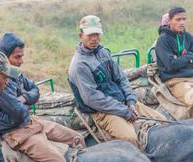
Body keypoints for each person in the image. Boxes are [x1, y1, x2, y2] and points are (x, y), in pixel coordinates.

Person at [0, 33, 85, 162]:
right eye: (17, 57)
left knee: (77, 138)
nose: (21, 61)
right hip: (16, 131)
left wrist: (23, 98)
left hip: (30, 122)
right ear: (3, 57)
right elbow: (19, 112)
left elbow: (35, 90)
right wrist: (25, 100)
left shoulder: (15, 73)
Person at [68, 15, 165, 147]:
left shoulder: (103, 52)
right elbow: (92, 98)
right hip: (103, 111)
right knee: (129, 138)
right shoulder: (79, 64)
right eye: (90, 35)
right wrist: (124, 111)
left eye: (97, 34)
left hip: (123, 102)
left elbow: (121, 77)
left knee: (161, 120)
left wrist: (131, 101)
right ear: (81, 36)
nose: (94, 38)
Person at [155, 6, 193, 115]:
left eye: (184, 19)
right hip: (176, 80)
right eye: (178, 19)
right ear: (170, 21)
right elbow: (171, 65)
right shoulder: (163, 40)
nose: (182, 22)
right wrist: (188, 57)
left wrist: (180, 59)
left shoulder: (187, 37)